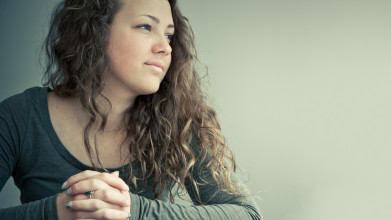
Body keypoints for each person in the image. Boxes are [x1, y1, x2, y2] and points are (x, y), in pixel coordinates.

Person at [0, 0, 262, 219]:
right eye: (146, 26)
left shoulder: (177, 122)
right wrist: (54, 212)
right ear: (95, 31)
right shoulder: (19, 116)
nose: (165, 47)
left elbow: (247, 214)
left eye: (169, 34)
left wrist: (136, 210)